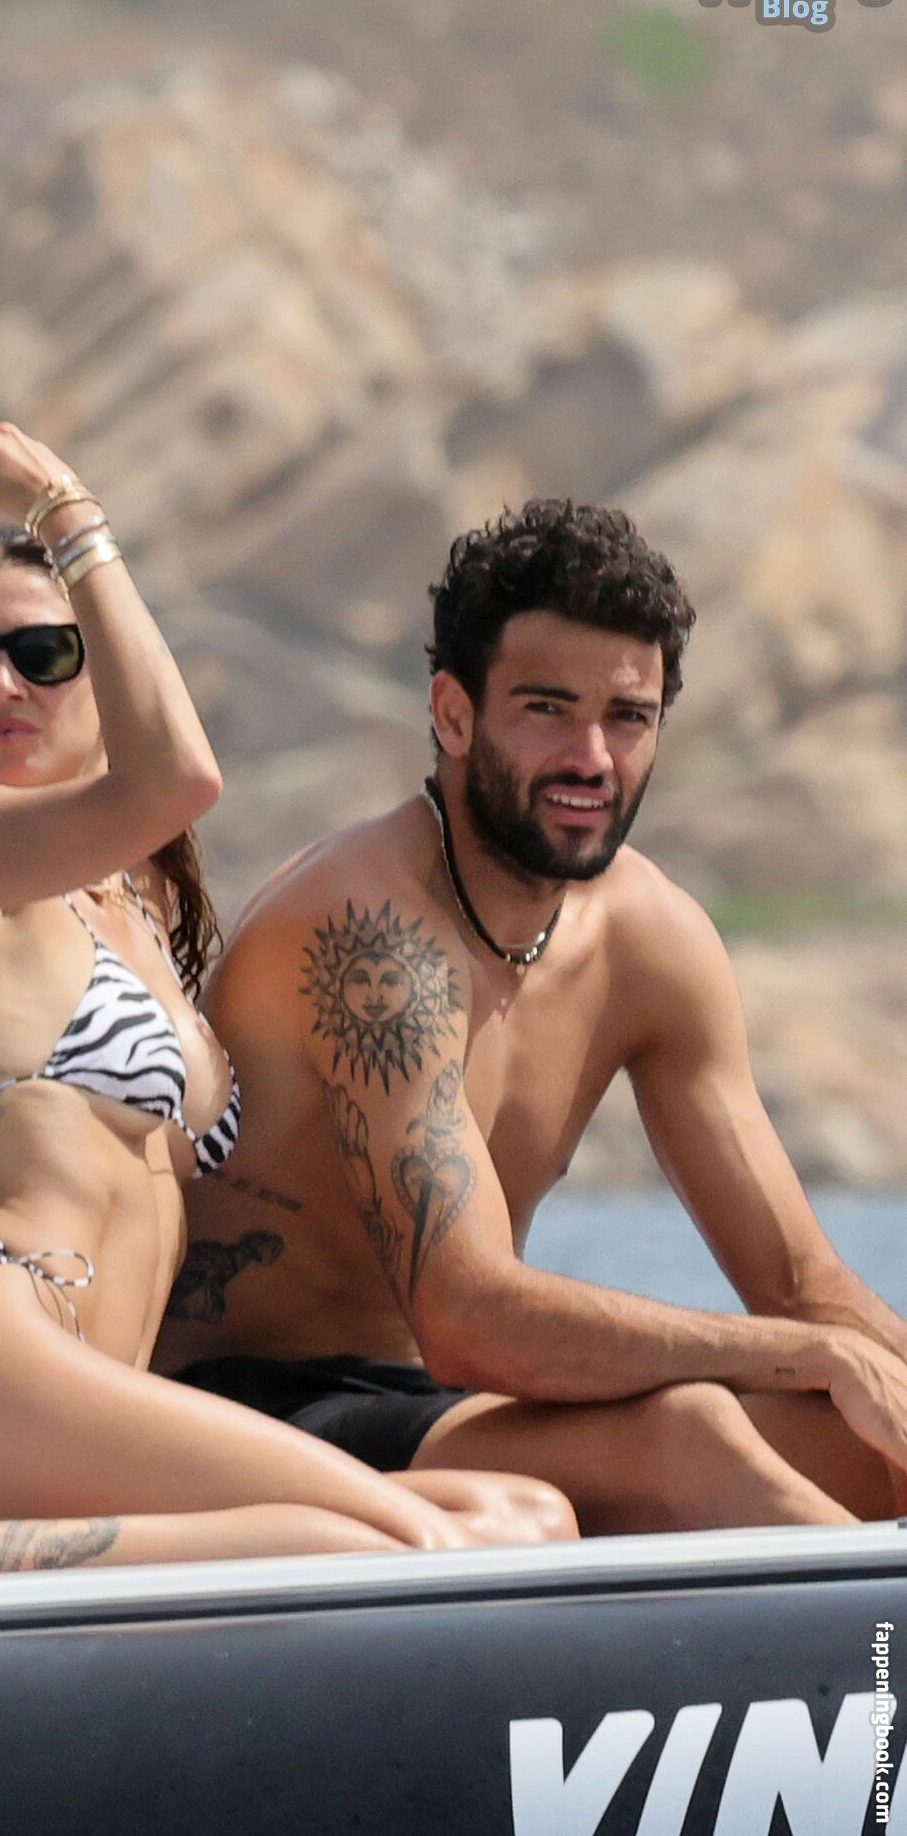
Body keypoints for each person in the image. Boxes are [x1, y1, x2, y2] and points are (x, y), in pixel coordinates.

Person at [0, 421, 576, 1584]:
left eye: (43, 653)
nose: (1, 684)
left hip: (88, 1401)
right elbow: (178, 776)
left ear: (102, 675)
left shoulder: (138, 911)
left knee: (521, 1515)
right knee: (394, 1546)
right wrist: (65, 512)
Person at [155, 498, 907, 1535]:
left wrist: (854, 1363)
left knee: (860, 1442)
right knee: (691, 1432)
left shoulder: (650, 941)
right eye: (547, 709)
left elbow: (798, 1282)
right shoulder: (372, 934)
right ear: (453, 715)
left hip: (446, 1407)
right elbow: (468, 1318)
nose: (591, 757)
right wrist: (805, 1354)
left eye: (628, 717)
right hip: (248, 1410)